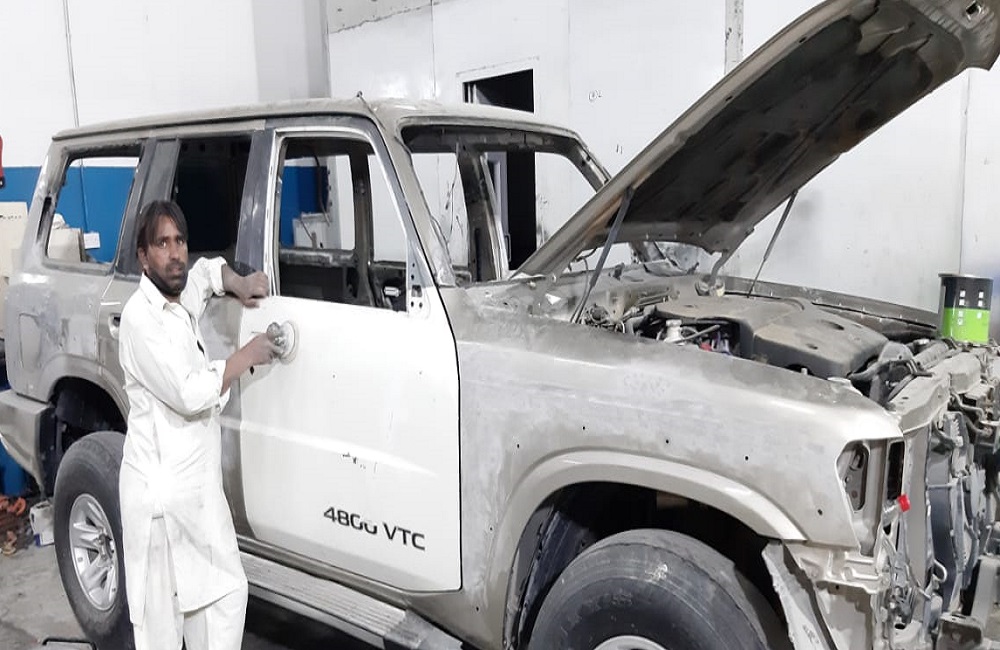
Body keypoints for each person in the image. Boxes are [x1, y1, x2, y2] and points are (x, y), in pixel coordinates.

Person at [117, 199, 280, 650]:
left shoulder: (178, 294)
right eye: (162, 244)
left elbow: (207, 274)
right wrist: (246, 356)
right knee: (161, 634)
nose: (175, 254)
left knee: (225, 598)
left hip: (195, 499)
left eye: (180, 241)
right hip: (159, 505)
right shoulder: (140, 319)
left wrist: (238, 283)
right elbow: (188, 393)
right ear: (143, 256)